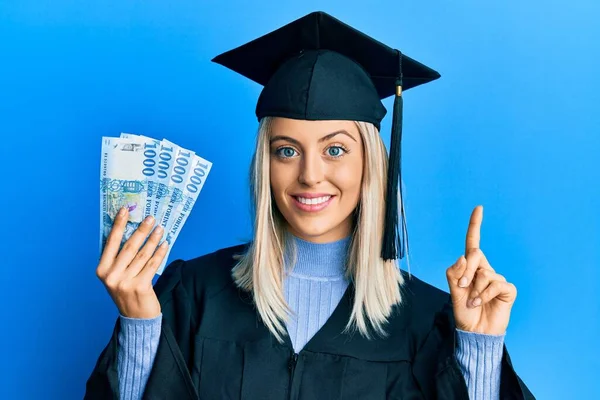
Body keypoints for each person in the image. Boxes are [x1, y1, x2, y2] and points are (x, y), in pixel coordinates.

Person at [85, 11, 535, 400]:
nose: (310, 175)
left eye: (335, 150)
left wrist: (478, 346)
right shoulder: (192, 296)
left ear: (371, 165)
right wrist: (140, 323)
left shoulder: (426, 320)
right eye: (286, 150)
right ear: (265, 164)